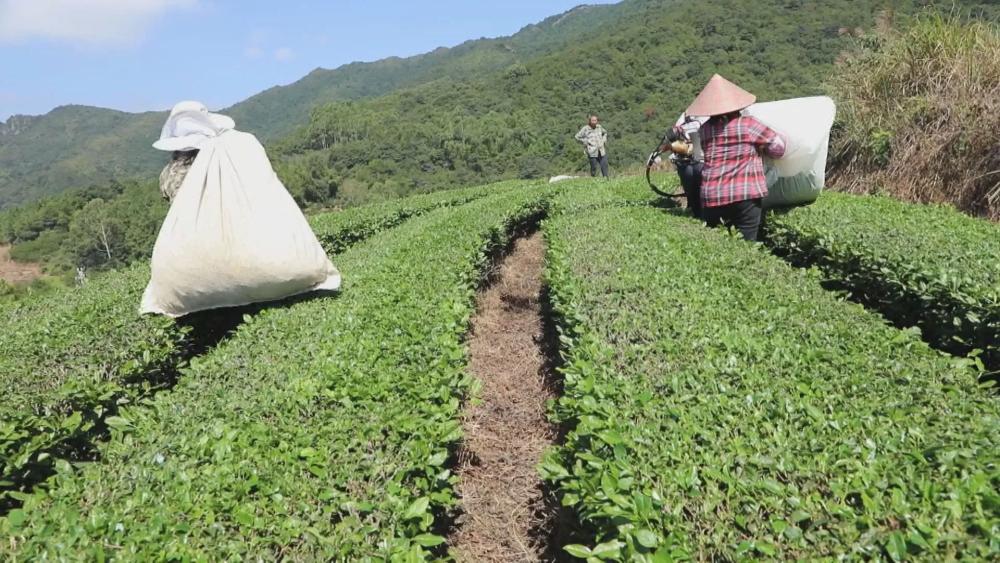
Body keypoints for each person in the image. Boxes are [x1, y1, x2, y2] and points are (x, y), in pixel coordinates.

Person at [677, 74, 785, 241]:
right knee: (746, 247)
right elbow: (779, 149)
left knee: (718, 246)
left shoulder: (704, 130)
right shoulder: (748, 125)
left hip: (712, 196)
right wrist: (762, 149)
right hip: (745, 196)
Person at [662, 112, 708, 218]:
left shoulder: (689, 114)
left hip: (694, 159)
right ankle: (696, 210)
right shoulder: (689, 114)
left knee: (693, 187)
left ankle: (696, 210)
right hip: (696, 159)